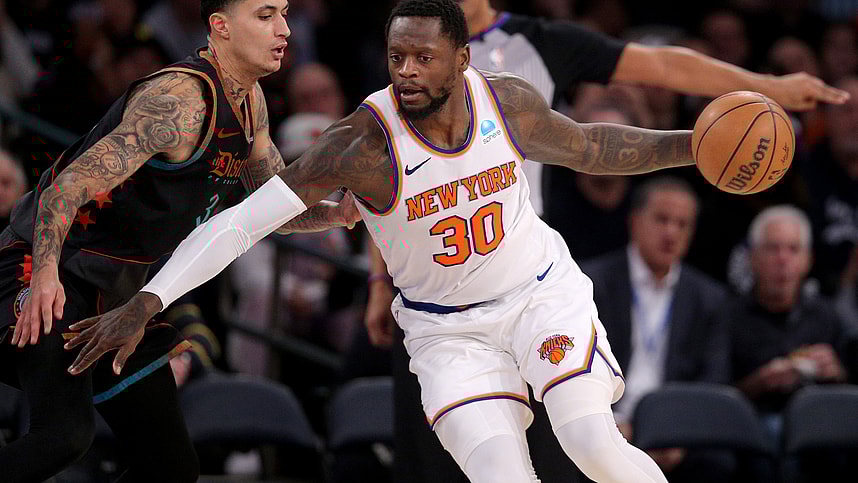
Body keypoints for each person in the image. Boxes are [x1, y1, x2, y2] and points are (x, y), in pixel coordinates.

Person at [69, 1, 730, 481]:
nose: (407, 71)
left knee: (592, 443)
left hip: (539, 295)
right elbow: (240, 223)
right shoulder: (360, 145)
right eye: (396, 57)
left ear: (462, 59)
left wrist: (696, 147)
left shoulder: (506, 102)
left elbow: (590, 146)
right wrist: (149, 300)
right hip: (449, 331)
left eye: (424, 57)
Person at [366, 0, 851, 480]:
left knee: (584, 446)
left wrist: (767, 87)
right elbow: (386, 193)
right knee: (470, 467)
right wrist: (378, 279)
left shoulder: (540, 45)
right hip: (439, 295)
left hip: (526, 271)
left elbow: (661, 67)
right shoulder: (404, 73)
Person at [0, 1, 357, 481]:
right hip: (47, 268)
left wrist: (340, 214)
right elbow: (65, 189)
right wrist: (44, 276)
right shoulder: (179, 101)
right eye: (265, 15)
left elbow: (272, 210)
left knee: (170, 466)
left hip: (116, 297)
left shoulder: (250, 104)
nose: (285, 30)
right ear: (221, 27)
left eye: (286, 13)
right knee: (63, 436)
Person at [583, 176, 732, 482]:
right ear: (635, 221)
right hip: (609, 421)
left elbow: (714, 378)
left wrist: (675, 429)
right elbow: (580, 367)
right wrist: (610, 424)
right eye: (662, 220)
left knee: (720, 461)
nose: (671, 233)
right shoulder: (592, 283)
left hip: (674, 425)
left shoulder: (708, 298)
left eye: (682, 224)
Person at [726, 205, 858, 481]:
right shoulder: (729, 316)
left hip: (821, 425)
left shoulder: (826, 315)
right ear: (752, 258)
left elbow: (849, 388)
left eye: (793, 249)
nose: (783, 259)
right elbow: (714, 393)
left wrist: (835, 372)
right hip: (753, 425)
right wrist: (761, 382)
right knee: (773, 435)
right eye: (773, 249)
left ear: (808, 260)